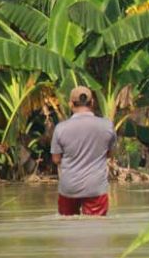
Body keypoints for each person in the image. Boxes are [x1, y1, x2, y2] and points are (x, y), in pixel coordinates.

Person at [50, 86, 116, 216]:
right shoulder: (107, 126)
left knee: (67, 227)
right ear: (92, 103)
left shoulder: (60, 128)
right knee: (96, 228)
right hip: (96, 187)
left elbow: (56, 159)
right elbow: (110, 154)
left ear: (70, 104)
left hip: (69, 188)